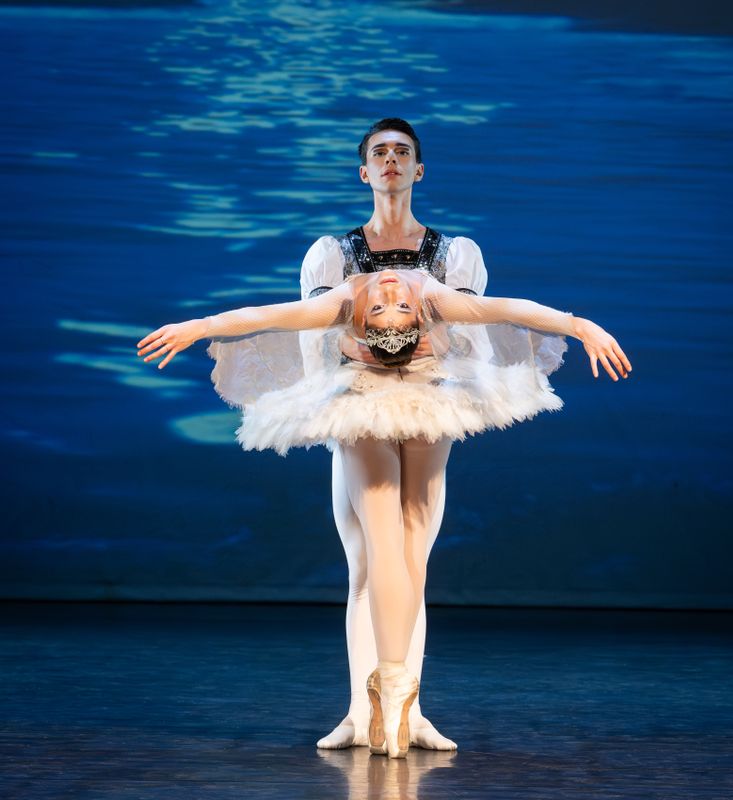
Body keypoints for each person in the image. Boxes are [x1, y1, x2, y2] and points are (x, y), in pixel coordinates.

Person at [136, 267, 632, 759]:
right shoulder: (419, 295)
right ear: (416, 314)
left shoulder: (377, 295)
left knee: (412, 545)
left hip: (427, 400)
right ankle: (391, 691)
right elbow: (268, 316)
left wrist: (579, 325)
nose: (391, 293)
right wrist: (579, 323)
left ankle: (395, 695)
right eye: (385, 306)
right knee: (385, 543)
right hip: (367, 402)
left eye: (388, 305)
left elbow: (503, 309)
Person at [299, 118, 487, 751]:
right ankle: (360, 708)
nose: (390, 161)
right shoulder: (335, 254)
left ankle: (408, 709)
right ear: (363, 171)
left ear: (418, 170)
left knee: (412, 561)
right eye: (379, 153)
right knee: (363, 563)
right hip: (357, 410)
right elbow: (314, 335)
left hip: (428, 408)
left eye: (402, 153)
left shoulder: (452, 253)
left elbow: (467, 336)